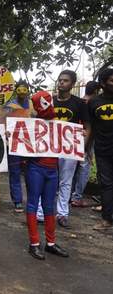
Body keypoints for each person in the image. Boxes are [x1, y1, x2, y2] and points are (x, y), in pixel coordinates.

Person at [24, 91, 69, 260]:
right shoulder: (31, 124)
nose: (46, 105)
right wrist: (13, 137)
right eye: (42, 103)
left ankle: (50, 243)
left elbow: (67, 141)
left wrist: (77, 137)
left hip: (52, 170)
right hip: (36, 168)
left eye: (48, 102)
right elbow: (22, 144)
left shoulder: (59, 125)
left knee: (49, 206)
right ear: (36, 106)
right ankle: (34, 243)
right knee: (33, 204)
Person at [49, 70, 90, 228]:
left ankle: (62, 214)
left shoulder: (79, 103)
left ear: (72, 84)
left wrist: (82, 146)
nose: (61, 83)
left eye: (65, 81)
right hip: (51, 147)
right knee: (50, 180)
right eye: (59, 80)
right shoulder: (50, 101)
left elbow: (87, 126)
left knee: (66, 182)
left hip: (69, 148)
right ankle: (45, 211)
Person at [3, 80, 33, 212]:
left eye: (24, 89)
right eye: (19, 90)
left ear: (28, 90)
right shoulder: (9, 105)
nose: (21, 92)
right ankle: (17, 200)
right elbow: (3, 120)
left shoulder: (33, 104)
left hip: (29, 144)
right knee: (14, 172)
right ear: (16, 90)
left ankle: (32, 198)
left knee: (30, 172)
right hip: (13, 144)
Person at [89, 68, 113, 230]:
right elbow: (90, 127)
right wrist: (85, 149)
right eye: (112, 80)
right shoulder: (94, 102)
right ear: (103, 83)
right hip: (103, 150)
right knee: (106, 184)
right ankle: (107, 219)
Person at [71, 81, 99, 207]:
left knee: (72, 167)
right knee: (84, 168)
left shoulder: (77, 102)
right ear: (96, 91)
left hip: (72, 138)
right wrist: (87, 146)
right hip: (86, 140)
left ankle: (68, 194)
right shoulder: (93, 104)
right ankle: (77, 197)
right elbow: (90, 126)